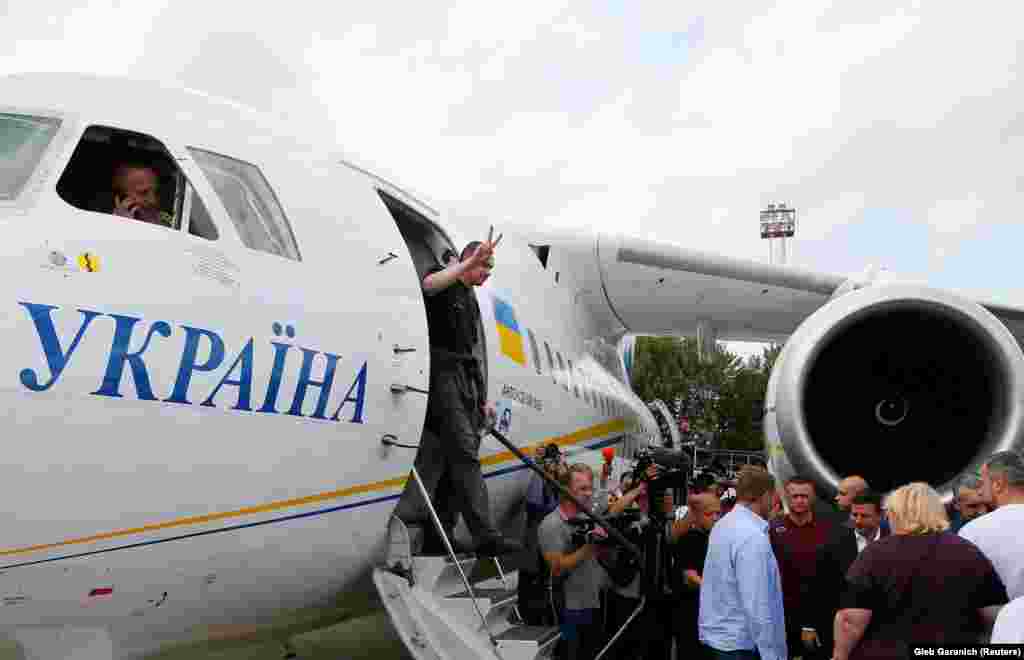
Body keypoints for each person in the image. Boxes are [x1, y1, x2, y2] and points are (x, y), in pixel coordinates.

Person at [392, 236, 520, 557]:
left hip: (465, 380)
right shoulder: (446, 281)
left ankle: (440, 534)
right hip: (442, 374)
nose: (487, 273)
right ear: (468, 260)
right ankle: (486, 536)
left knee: (459, 457)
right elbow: (428, 285)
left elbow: (471, 352)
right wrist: (468, 263)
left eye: (490, 268)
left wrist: (482, 400)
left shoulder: (469, 298)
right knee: (464, 453)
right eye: (484, 266)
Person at [833, 483, 1007, 660]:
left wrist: (839, 656)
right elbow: (993, 613)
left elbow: (850, 620)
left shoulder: (873, 554)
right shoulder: (967, 551)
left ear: (895, 513)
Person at [699, 465, 787, 660]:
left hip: (720, 639)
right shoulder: (752, 536)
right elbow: (757, 603)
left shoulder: (723, 525)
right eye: (773, 495)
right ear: (764, 495)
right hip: (741, 645)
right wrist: (771, 655)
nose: (774, 502)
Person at [539, 463, 608, 660]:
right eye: (582, 489)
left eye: (590, 488)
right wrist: (589, 546)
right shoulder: (551, 524)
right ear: (566, 491)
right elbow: (557, 567)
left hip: (592, 601)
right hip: (568, 607)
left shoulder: (586, 517)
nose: (588, 494)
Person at [813, 491, 889, 656]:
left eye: (865, 516)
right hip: (844, 633)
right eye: (855, 515)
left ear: (880, 516)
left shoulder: (894, 542)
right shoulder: (833, 543)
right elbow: (821, 588)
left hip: (885, 633)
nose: (858, 521)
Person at [769, 477, 833, 659]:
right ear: (787, 498)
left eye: (804, 496)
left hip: (816, 614)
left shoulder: (827, 530)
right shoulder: (773, 529)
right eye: (795, 496)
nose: (799, 500)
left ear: (812, 498)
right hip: (780, 614)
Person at [959, 451, 1024, 599]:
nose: (980, 491)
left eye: (983, 483)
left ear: (997, 484)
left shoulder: (972, 532)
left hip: (1004, 619)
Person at [518, 444, 566, 624]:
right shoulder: (542, 480)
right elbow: (534, 505)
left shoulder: (557, 483)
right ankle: (533, 619)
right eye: (553, 461)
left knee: (545, 587)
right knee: (533, 587)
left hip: (547, 547)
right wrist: (541, 470)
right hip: (536, 547)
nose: (555, 465)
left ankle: (543, 619)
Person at [674, 492, 721, 660]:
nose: (715, 518)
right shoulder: (690, 539)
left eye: (718, 513)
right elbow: (690, 576)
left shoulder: (718, 539)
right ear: (698, 515)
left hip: (713, 617)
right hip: (692, 614)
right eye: (710, 514)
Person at [110, 163, 174, 227]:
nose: (153, 200)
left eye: (156, 192)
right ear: (121, 197)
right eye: (143, 193)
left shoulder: (165, 218)